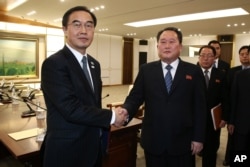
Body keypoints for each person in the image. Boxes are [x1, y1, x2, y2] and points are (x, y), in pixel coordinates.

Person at [41, 6, 127, 167]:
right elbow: (70, 108)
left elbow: (93, 104)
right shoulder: (54, 64)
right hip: (66, 152)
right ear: (65, 30)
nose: (83, 30)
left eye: (89, 25)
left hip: (94, 147)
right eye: (76, 24)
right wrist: (112, 116)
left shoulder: (94, 64)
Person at [121, 27, 207, 167]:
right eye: (163, 42)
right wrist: (125, 111)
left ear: (180, 46)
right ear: (157, 46)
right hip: (154, 140)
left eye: (172, 42)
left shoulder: (194, 71)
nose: (167, 46)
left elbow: (200, 107)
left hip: (183, 141)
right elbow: (135, 98)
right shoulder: (146, 70)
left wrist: (198, 138)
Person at [197, 45, 227, 167]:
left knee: (210, 151)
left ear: (214, 58)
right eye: (203, 55)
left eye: (209, 56)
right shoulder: (190, 73)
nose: (206, 58)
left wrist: (224, 117)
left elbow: (225, 98)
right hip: (193, 120)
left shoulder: (221, 74)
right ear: (199, 57)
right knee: (189, 150)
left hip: (213, 121)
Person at [223, 45, 250, 166]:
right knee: (240, 154)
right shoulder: (240, 75)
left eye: (247, 53)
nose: (245, 56)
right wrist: (231, 121)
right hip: (242, 123)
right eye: (243, 54)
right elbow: (233, 100)